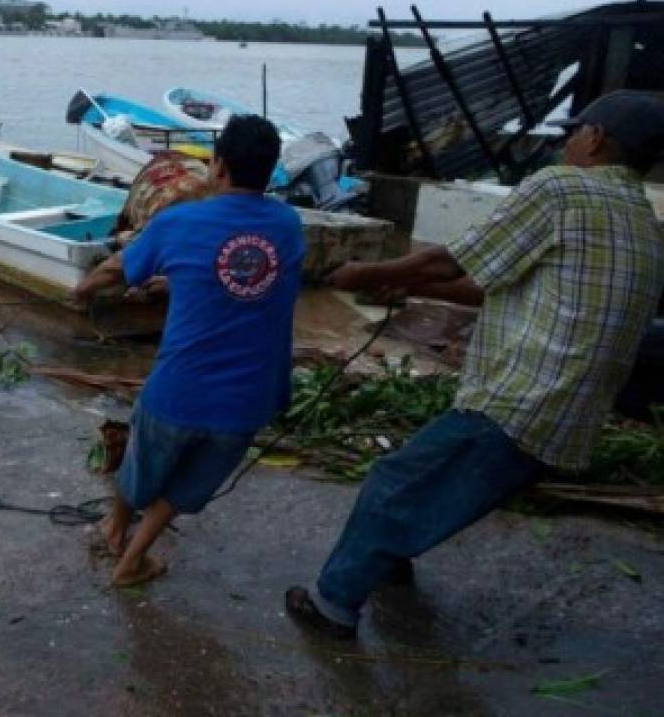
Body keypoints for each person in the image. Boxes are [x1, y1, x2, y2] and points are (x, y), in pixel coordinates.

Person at [285, 90, 664, 639]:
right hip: (570, 413)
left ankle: (333, 606)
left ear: (596, 139)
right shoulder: (641, 220)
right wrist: (409, 282)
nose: (566, 144)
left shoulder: (562, 187)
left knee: (395, 479)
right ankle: (388, 560)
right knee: (430, 480)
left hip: (525, 395)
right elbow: (499, 285)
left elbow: (453, 257)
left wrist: (362, 274)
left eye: (573, 133)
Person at [73, 115, 304, 587]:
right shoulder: (288, 223)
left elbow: (118, 269)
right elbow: (238, 277)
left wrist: (82, 290)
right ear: (272, 170)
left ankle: (116, 530)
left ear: (217, 167)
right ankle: (132, 556)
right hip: (248, 399)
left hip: (178, 392)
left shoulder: (179, 221)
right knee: (184, 487)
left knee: (140, 465)